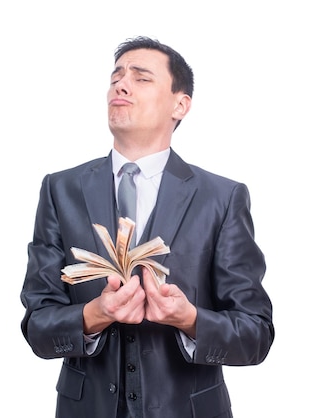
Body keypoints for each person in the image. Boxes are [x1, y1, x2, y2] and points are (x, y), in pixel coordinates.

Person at [19, 36, 274, 418]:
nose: (120, 85)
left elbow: (255, 334)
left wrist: (189, 319)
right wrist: (94, 314)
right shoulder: (61, 189)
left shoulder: (221, 198)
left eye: (141, 78)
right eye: (116, 76)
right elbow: (37, 324)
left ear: (180, 104)